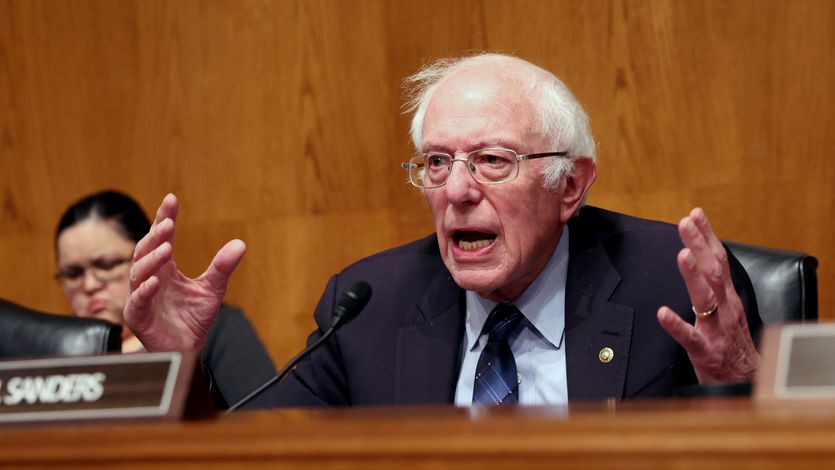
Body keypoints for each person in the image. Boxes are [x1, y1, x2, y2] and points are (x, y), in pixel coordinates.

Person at [123, 54, 762, 407]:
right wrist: (179, 366)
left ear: (569, 185)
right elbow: (273, 458)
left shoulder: (671, 283)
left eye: (492, 160)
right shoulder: (370, 305)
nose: (456, 190)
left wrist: (736, 379)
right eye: (436, 162)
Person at [54, 190, 276, 407]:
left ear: (144, 256)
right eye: (73, 274)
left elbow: (263, 423)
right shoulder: (57, 353)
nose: (90, 285)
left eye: (107, 265)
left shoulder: (211, 328)